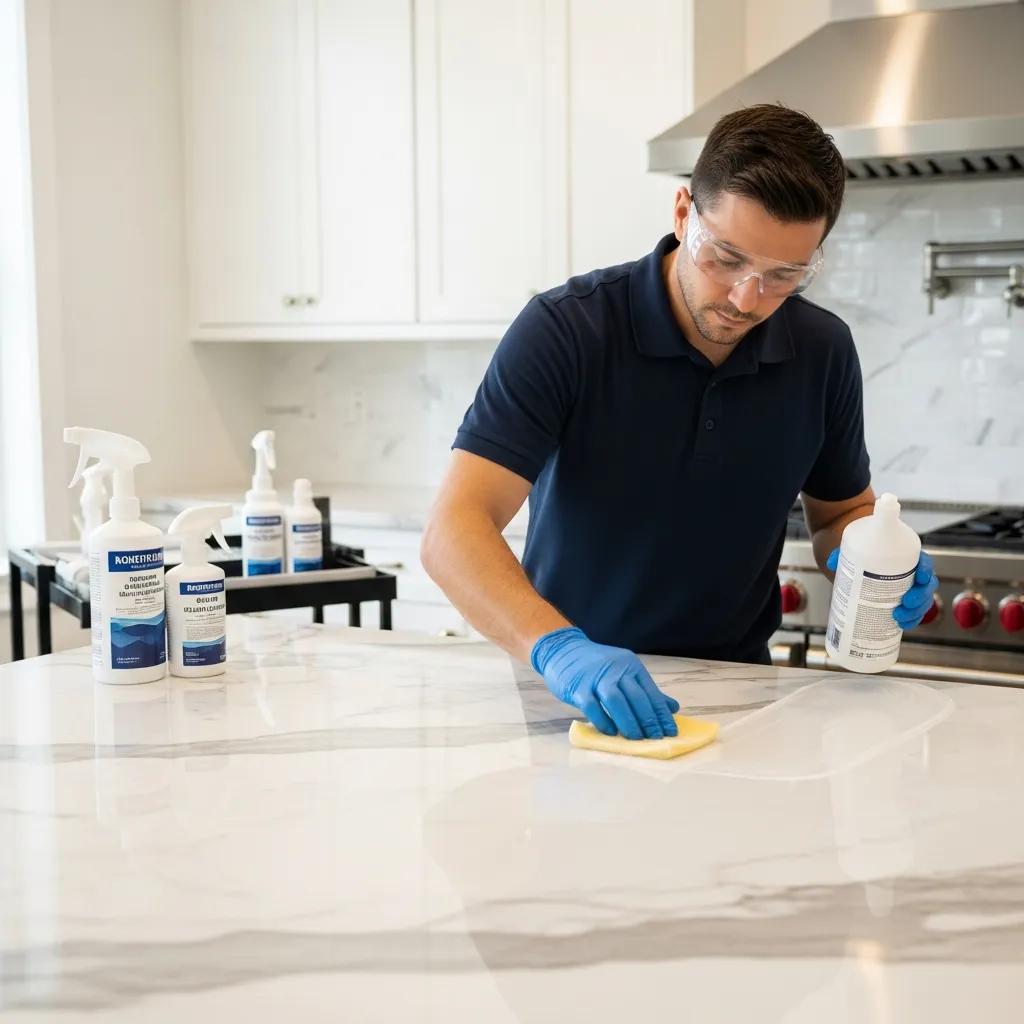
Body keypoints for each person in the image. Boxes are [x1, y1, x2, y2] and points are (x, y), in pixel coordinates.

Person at [420, 104, 939, 742]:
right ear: (682, 212)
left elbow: (837, 515)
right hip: (577, 700)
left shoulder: (823, 350)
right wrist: (559, 650)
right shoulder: (568, 330)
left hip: (742, 701)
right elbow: (453, 529)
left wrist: (872, 560)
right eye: (725, 258)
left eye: (784, 276)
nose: (746, 299)